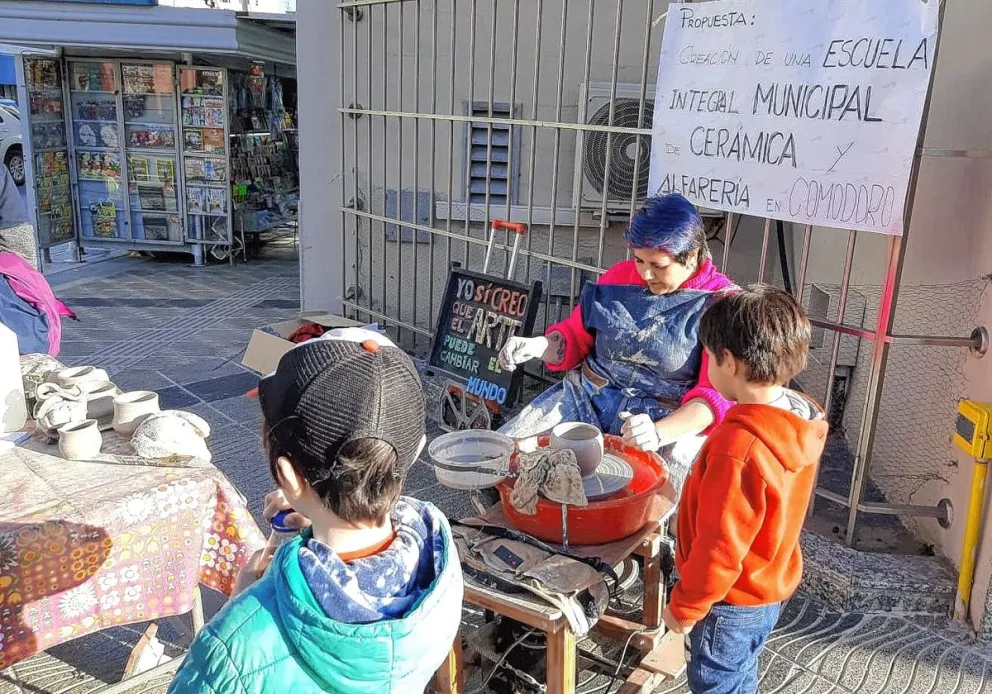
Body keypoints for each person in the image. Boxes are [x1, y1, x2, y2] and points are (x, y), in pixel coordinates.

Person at [168, 336, 464, 694]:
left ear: (289, 478)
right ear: (414, 451)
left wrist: (240, 605)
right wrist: (322, 510)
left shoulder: (232, 649)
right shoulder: (437, 560)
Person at [498, 193, 736, 493]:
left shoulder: (721, 305)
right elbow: (573, 336)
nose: (645, 273)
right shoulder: (616, 279)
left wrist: (658, 433)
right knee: (507, 458)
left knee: (662, 497)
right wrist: (539, 345)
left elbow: (713, 398)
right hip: (586, 397)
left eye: (658, 265)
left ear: (691, 256)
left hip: (662, 419)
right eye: (639, 260)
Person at [662, 285, 827, 694]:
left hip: (729, 602)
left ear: (729, 363)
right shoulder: (799, 417)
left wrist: (685, 608)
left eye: (708, 358)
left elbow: (720, 547)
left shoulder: (739, 448)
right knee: (739, 674)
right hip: (768, 584)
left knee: (717, 681)